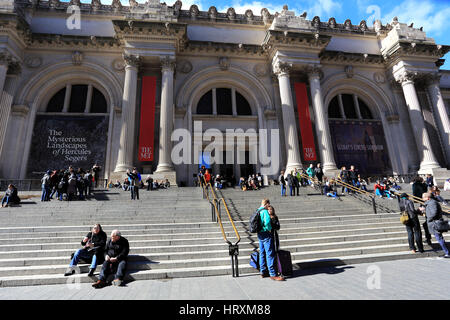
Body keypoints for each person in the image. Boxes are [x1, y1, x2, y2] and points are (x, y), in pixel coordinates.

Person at [257, 199, 285, 281]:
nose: (269, 207)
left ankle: (262, 271)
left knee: (262, 252)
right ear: (266, 204)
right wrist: (269, 229)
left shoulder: (258, 210)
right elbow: (267, 222)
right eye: (268, 204)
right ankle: (273, 274)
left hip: (260, 233)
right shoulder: (265, 211)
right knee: (270, 254)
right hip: (266, 233)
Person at [420, 193, 449, 258]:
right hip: (433, 223)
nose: (422, 199)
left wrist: (429, 219)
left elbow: (434, 213)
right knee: (439, 238)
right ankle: (447, 252)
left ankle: (447, 252)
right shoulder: (430, 203)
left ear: (427, 198)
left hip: (435, 224)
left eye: (423, 197)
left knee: (439, 238)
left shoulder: (432, 203)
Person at [412, 177, 432, 245]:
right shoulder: (423, 185)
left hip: (421, 199)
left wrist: (415, 199)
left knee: (425, 225)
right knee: (425, 224)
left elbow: (414, 192)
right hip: (424, 198)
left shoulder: (415, 185)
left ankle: (428, 239)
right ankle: (428, 239)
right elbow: (426, 187)